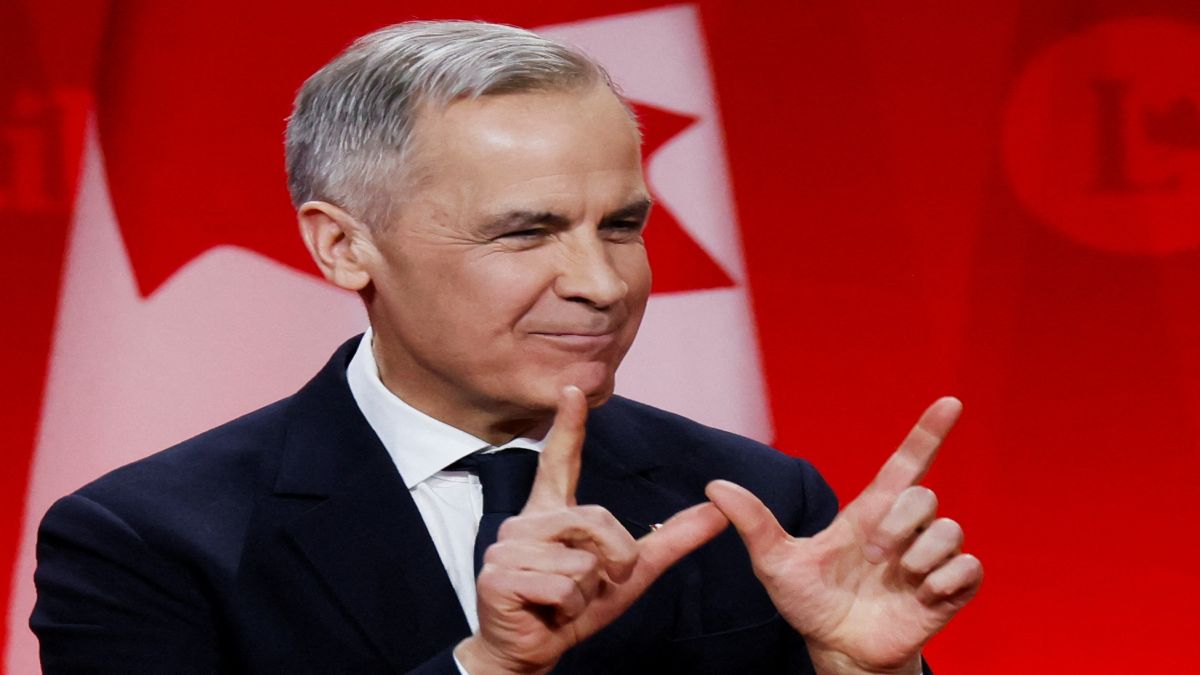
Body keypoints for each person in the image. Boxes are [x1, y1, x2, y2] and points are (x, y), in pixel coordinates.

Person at [31, 20, 982, 674]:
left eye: (620, 224)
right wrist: (485, 665)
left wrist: (859, 668)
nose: (603, 283)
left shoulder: (758, 502)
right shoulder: (147, 540)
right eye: (525, 232)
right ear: (343, 245)